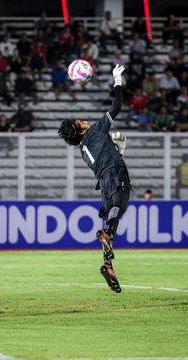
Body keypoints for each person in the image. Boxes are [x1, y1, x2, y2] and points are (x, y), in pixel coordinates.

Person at [58, 64, 129, 293]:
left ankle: (108, 265)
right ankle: (108, 233)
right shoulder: (96, 131)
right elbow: (116, 106)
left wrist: (115, 149)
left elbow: (101, 156)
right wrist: (117, 81)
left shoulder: (83, 151)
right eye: (82, 122)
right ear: (80, 130)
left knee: (111, 216)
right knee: (121, 203)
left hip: (103, 182)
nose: (86, 121)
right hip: (115, 172)